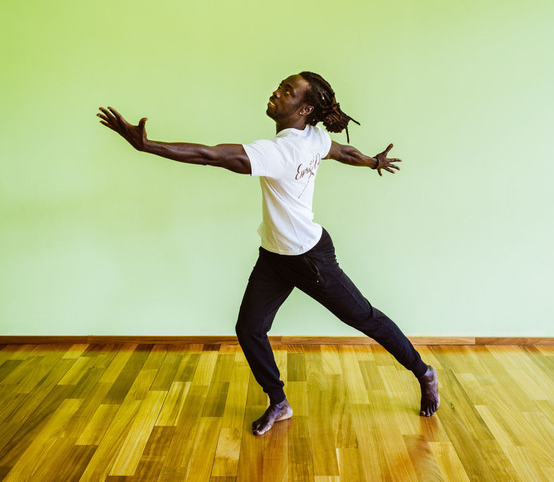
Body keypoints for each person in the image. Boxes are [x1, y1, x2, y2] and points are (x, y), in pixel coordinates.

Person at [97, 71, 440, 436]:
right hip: (275, 256)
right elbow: (343, 152)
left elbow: (209, 156)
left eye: (287, 91)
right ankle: (279, 402)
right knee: (249, 328)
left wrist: (147, 146)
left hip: (310, 259)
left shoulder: (279, 152)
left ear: (305, 108)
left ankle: (424, 372)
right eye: (280, 87)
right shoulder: (313, 138)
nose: (276, 93)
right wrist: (371, 162)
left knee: (364, 317)